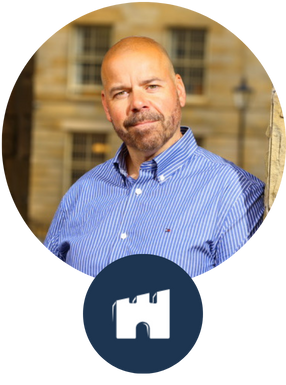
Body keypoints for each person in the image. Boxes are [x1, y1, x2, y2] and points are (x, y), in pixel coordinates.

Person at [42, 36, 265, 279]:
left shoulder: (239, 195)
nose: (138, 103)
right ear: (107, 107)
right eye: (121, 92)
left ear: (179, 90)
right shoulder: (80, 193)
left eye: (151, 86)